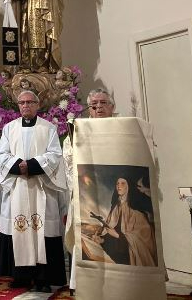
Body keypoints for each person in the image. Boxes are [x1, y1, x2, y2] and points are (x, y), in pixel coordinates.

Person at [0, 90, 68, 292]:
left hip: (41, 186)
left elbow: (55, 155)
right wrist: (18, 165)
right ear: (18, 106)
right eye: (22, 102)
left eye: (29, 102)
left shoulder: (48, 128)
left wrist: (32, 165)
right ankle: (21, 277)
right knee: (19, 230)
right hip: (18, 186)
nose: (25, 105)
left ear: (37, 105)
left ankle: (43, 279)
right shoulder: (9, 128)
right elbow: (1, 155)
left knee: (42, 232)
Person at [63, 87, 116, 290]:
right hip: (88, 196)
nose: (99, 107)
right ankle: (84, 283)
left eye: (103, 103)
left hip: (114, 194)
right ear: (89, 109)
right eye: (94, 104)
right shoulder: (79, 131)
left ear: (112, 107)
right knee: (86, 238)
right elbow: (68, 160)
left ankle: (119, 282)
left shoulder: (122, 129)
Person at [93, 177, 158, 267]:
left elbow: (142, 239)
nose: (119, 186)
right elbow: (111, 231)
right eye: (117, 183)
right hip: (114, 252)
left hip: (126, 256)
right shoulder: (115, 208)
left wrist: (118, 235)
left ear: (128, 187)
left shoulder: (136, 211)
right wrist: (102, 239)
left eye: (122, 183)